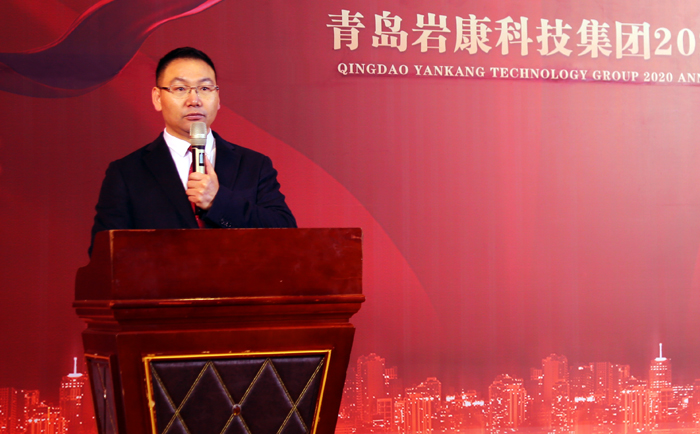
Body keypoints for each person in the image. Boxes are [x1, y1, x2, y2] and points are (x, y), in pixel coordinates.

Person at [89, 47, 296, 255]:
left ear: (218, 98)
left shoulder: (254, 165)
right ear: (158, 98)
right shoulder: (126, 173)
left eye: (205, 88)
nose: (194, 100)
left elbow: (286, 236)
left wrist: (218, 201)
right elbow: (104, 253)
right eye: (180, 89)